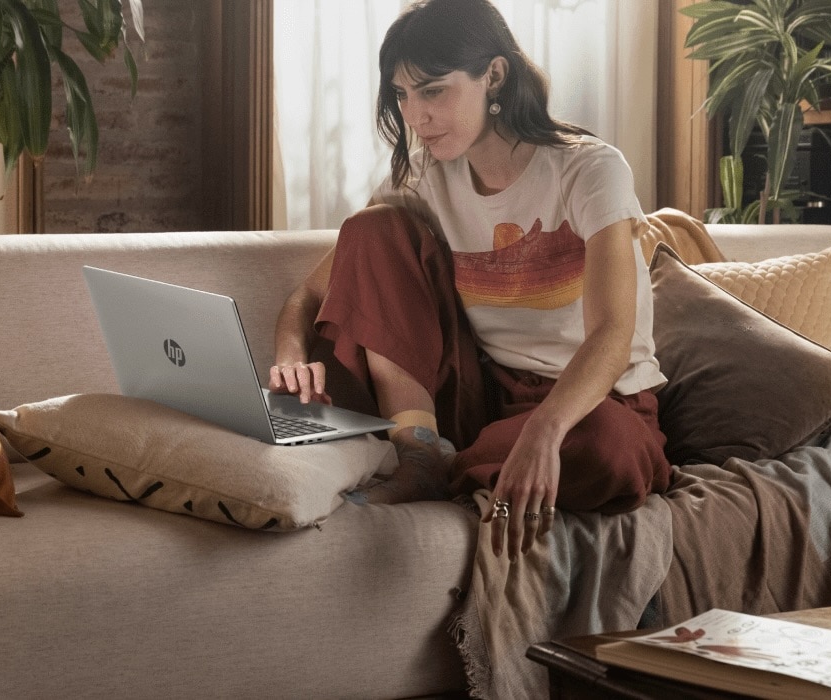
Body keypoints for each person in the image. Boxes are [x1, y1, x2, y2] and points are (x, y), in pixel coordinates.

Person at [268, 0, 672, 552]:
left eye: (432, 90)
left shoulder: (588, 170)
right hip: (484, 397)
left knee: (608, 450)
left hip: (594, 403)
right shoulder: (427, 181)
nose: (414, 116)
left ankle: (450, 465)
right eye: (401, 95)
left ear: (494, 75)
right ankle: (423, 453)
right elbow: (313, 290)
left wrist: (544, 431)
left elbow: (612, 333)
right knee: (370, 229)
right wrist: (290, 353)